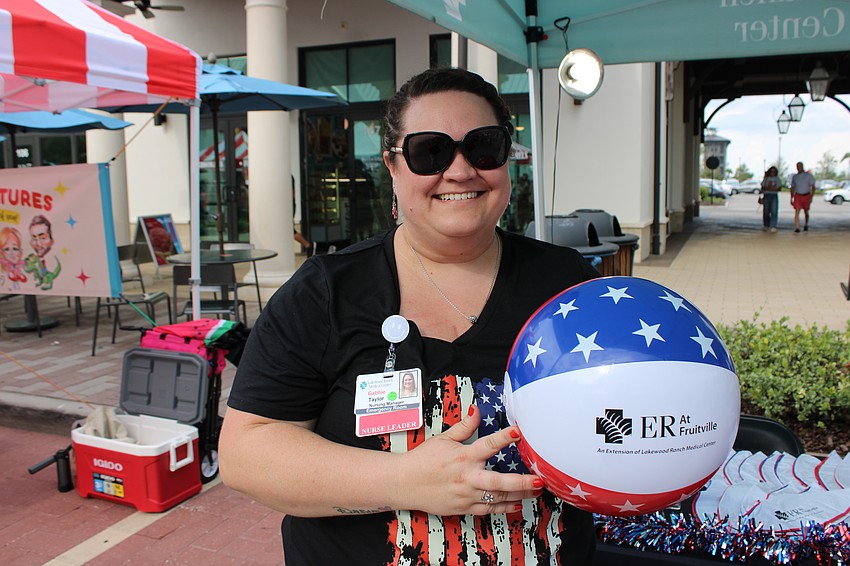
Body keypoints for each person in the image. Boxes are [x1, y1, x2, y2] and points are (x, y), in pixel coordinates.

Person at [219, 67, 599, 565]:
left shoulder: (567, 283)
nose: (461, 170)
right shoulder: (325, 292)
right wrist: (403, 481)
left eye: (483, 145)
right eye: (430, 151)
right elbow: (246, 452)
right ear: (393, 168)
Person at [790, 161, 816, 232]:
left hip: (806, 195)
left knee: (806, 211)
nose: (799, 168)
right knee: (797, 211)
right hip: (798, 195)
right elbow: (792, 187)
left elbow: (813, 187)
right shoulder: (795, 177)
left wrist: (811, 196)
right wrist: (791, 197)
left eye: (800, 166)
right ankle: (797, 227)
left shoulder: (808, 176)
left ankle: (806, 224)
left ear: (802, 166)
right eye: (797, 167)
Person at [760, 166, 781, 233]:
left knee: (774, 211)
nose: (773, 173)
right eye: (771, 171)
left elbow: (779, 188)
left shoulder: (777, 179)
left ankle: (773, 226)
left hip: (774, 195)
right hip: (767, 195)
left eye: (774, 171)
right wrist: (768, 188)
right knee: (766, 212)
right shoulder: (766, 179)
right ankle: (766, 225)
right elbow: (762, 187)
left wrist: (774, 189)